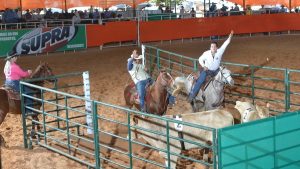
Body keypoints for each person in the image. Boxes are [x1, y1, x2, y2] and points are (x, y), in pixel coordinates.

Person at [188, 30, 234, 102]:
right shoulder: (206, 53)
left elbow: (226, 43)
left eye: (214, 47)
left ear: (216, 48)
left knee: (224, 76)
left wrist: (230, 35)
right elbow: (200, 59)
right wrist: (203, 66)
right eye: (212, 46)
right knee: (200, 80)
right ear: (210, 47)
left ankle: (224, 92)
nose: (213, 48)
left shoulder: (220, 51)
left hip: (216, 70)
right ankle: (192, 95)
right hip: (207, 71)